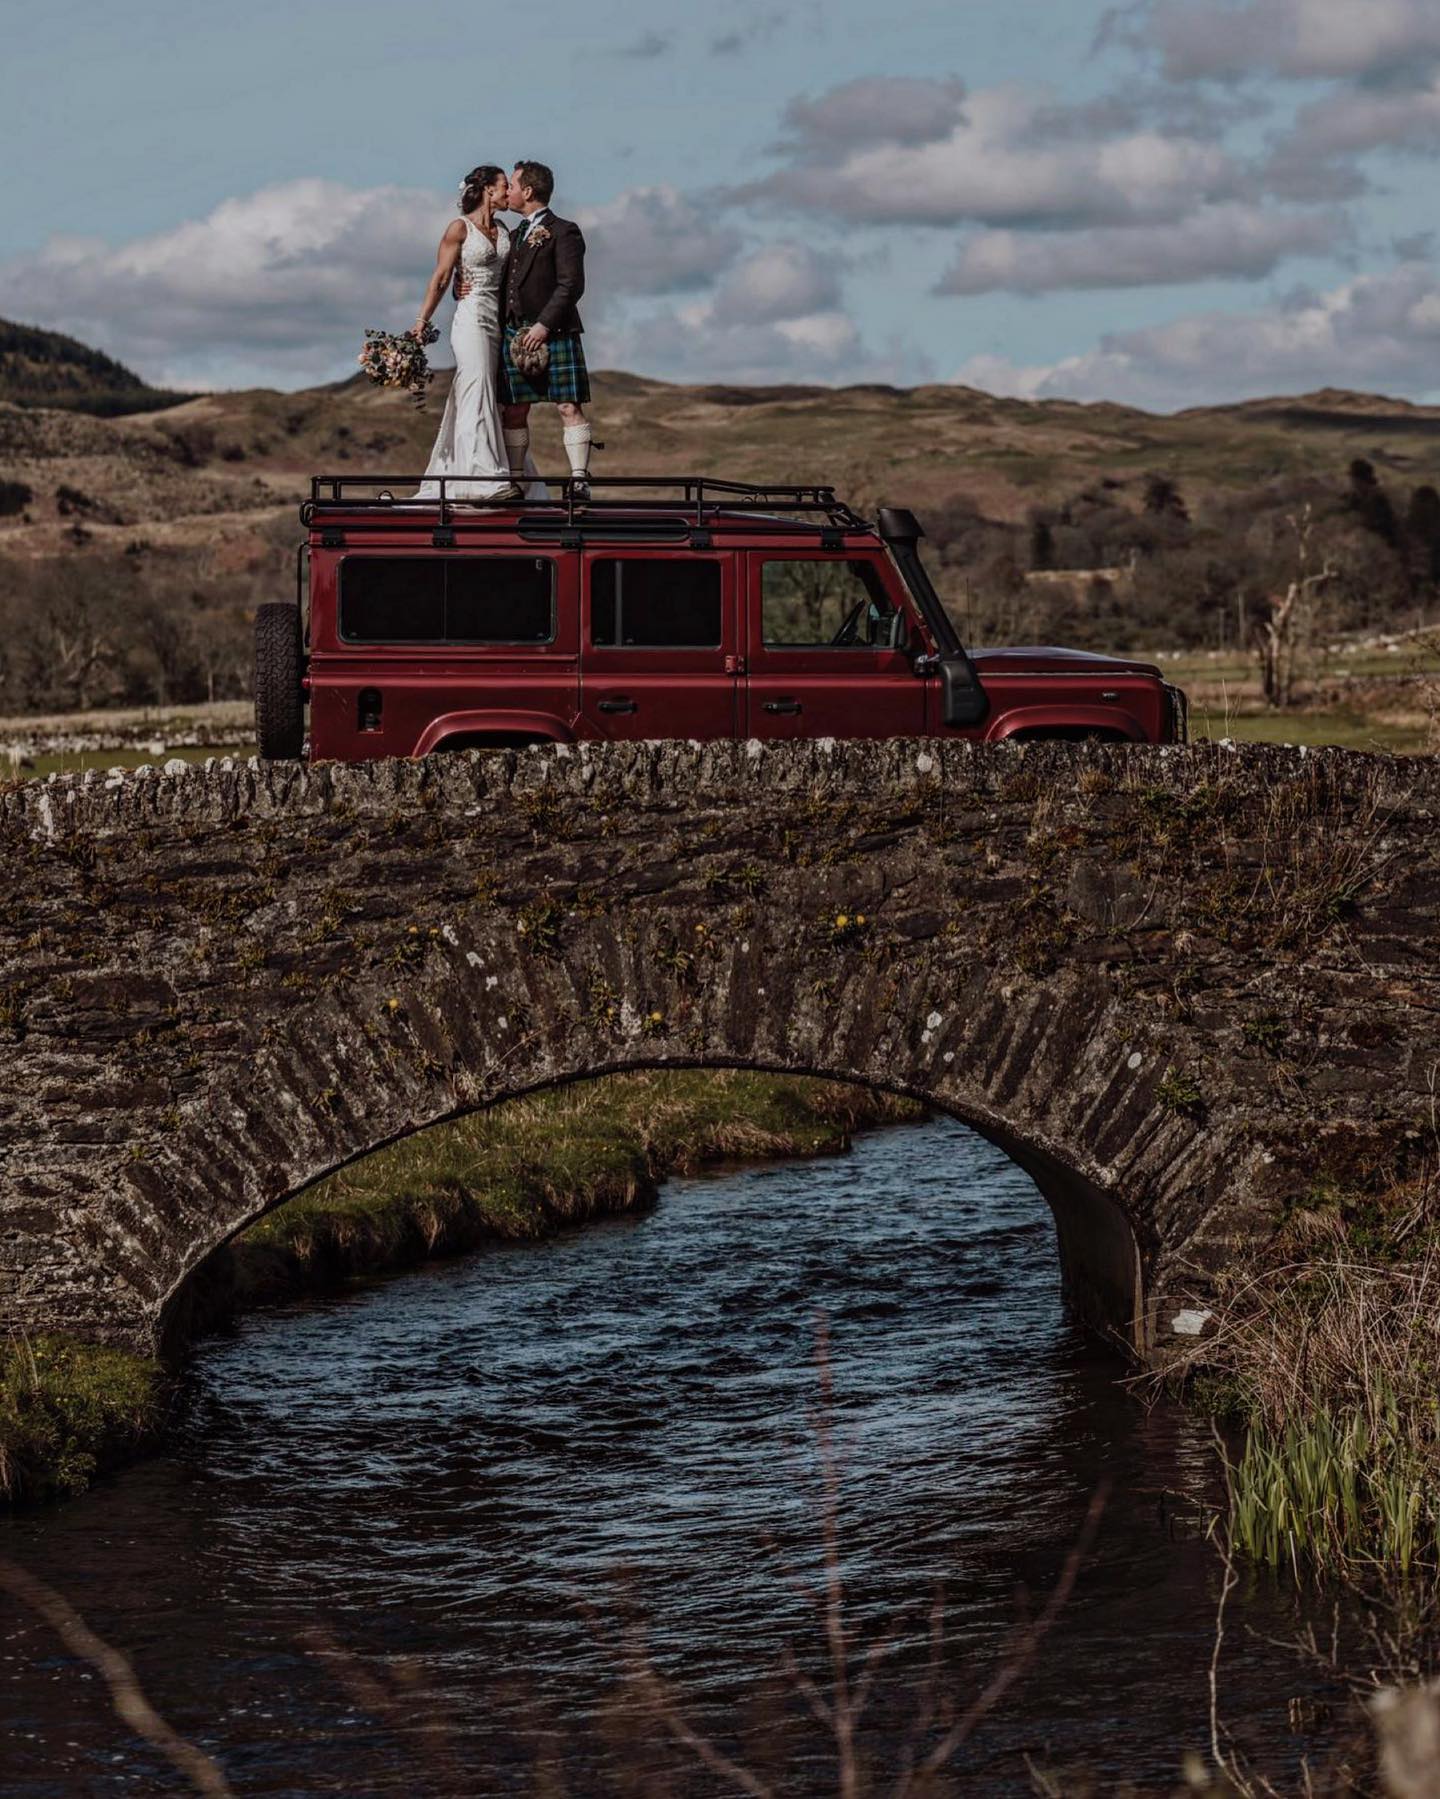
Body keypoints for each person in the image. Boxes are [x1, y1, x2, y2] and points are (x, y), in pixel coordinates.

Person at [411, 165, 543, 503]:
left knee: (494, 396)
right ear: (486, 189)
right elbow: (440, 277)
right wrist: (422, 321)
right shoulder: (459, 228)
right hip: (470, 319)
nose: (507, 191)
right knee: (477, 385)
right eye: (503, 185)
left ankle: (489, 469)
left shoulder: (503, 229)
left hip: (499, 321)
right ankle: (481, 477)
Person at [475, 160, 594, 495]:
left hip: (553, 331)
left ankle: (579, 479)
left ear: (527, 191)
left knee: (568, 406)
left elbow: (571, 285)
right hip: (515, 332)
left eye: (511, 186)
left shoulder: (564, 231)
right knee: (514, 410)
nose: (507, 191)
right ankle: (515, 480)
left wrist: (543, 325)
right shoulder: (512, 236)